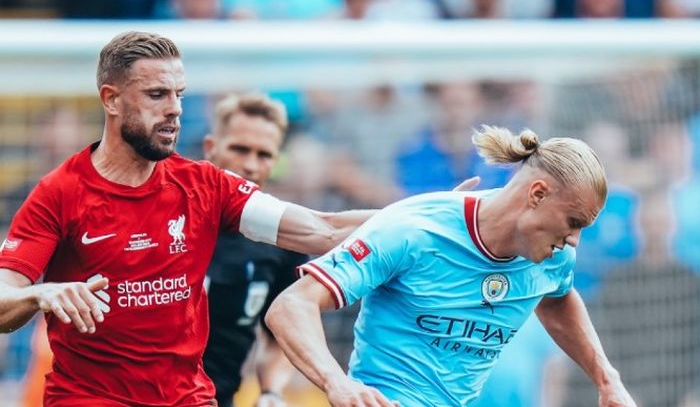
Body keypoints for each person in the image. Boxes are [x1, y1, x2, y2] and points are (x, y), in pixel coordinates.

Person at [0, 30, 381, 407]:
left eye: (178, 95)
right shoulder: (59, 193)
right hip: (91, 399)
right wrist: (38, 293)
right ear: (111, 100)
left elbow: (322, 228)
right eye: (157, 95)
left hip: (188, 399)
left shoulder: (205, 185)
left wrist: (431, 214)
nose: (174, 109)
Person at [266, 125, 639, 407]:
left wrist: (607, 378)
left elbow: (558, 298)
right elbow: (291, 306)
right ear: (537, 194)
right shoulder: (415, 228)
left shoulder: (552, 257)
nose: (574, 240)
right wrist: (336, 382)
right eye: (574, 222)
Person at [201, 93, 304, 407]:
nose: (250, 165)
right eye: (239, 149)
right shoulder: (168, 215)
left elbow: (280, 338)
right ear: (211, 148)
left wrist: (271, 391)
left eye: (264, 154)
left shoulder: (282, 239)